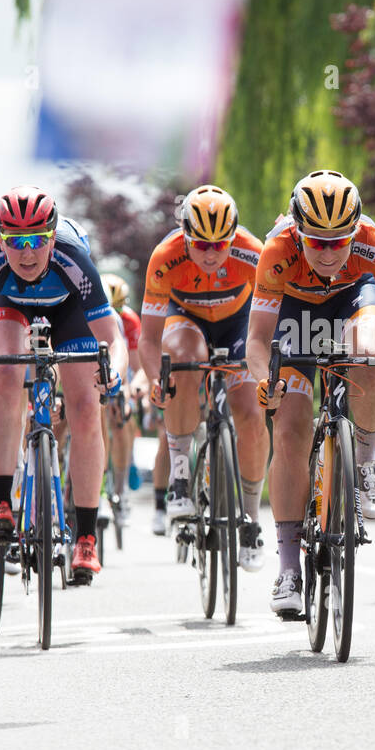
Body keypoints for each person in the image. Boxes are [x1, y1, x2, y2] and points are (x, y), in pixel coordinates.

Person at [246, 170, 375, 614]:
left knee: (371, 350)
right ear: (297, 232)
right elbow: (256, 339)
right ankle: (289, 568)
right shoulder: (277, 250)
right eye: (317, 242)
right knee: (289, 433)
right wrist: (263, 382)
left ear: (355, 230)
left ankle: (364, 461)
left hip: (352, 302)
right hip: (295, 317)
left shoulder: (374, 244)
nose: (328, 253)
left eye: (338, 241)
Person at [0, 187, 127, 584]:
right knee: (7, 376)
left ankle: (85, 536)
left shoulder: (74, 258)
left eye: (36, 242)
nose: (26, 253)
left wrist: (113, 370)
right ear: (0, 241)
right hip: (9, 304)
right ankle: (0, 501)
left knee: (85, 408)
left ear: (51, 238)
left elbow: (114, 341)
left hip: (69, 310)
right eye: (15, 243)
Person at [140, 185, 269, 572]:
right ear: (185, 235)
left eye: (220, 244)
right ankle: (180, 474)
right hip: (187, 321)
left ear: (233, 236)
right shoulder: (165, 257)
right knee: (181, 360)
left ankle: (250, 520)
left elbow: (269, 324)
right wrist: (153, 379)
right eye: (201, 245)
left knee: (250, 413)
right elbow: (148, 338)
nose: (211, 254)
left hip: (238, 323)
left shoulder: (252, 252)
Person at [99, 273, 147, 531]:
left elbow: (137, 366)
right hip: (95, 371)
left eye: (117, 307)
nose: (113, 312)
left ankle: (121, 489)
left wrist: (130, 390)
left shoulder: (127, 320)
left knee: (122, 421)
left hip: (121, 374)